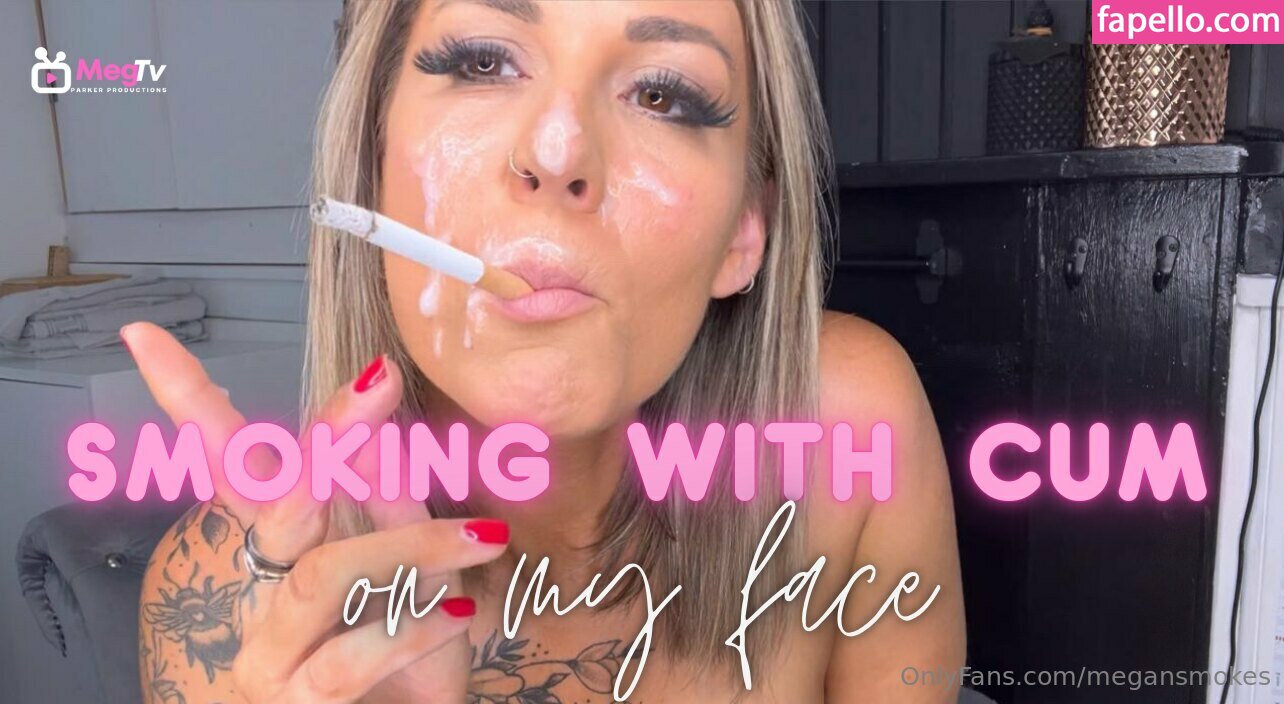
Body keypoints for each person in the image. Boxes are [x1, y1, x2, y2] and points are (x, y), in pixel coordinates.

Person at [133, 1, 965, 701]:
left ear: (745, 231)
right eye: (484, 62)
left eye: (662, 95)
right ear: (370, 162)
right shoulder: (218, 606)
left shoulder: (848, 431)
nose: (559, 152)